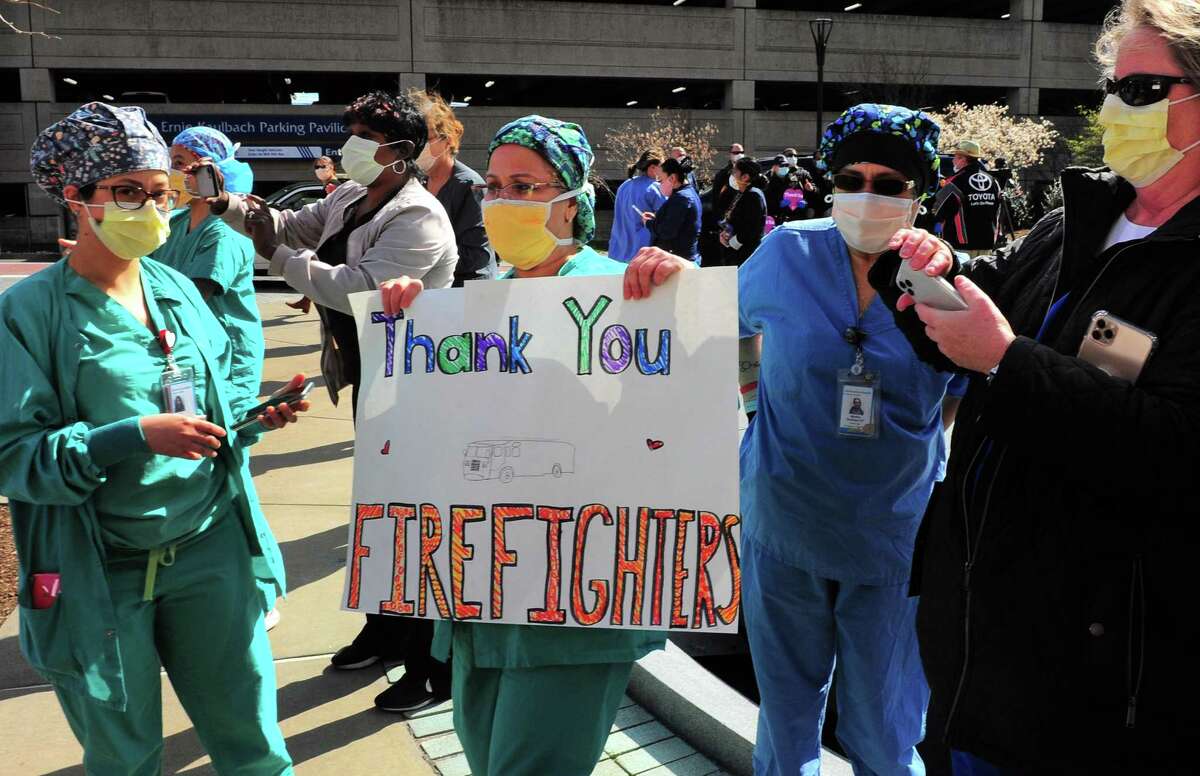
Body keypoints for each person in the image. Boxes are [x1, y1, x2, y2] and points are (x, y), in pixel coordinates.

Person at [867, 3, 1200, 771]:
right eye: (1113, 88)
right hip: (980, 644)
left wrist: (1005, 361)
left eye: (1145, 89)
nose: (1118, 109)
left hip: (1095, 683)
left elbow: (1175, 450)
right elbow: (989, 309)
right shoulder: (1081, 214)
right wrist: (925, 275)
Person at [5, 101, 311, 775]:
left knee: (255, 746)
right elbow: (16, 458)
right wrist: (130, 436)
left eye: (160, 192)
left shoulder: (175, 287)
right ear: (75, 198)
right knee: (125, 757)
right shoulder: (29, 313)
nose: (149, 206)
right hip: (100, 571)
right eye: (126, 192)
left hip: (210, 551)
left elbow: (201, 412)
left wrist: (251, 422)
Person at [376, 115, 685, 776]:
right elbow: (425, 437)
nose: (500, 201)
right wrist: (402, 328)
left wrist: (679, 300)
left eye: (524, 185)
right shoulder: (474, 306)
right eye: (491, 185)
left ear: (569, 201)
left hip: (575, 610)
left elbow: (681, 426)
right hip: (481, 601)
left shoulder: (626, 293)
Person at [738, 103, 967, 776]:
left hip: (893, 541)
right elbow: (730, 330)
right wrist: (757, 405)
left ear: (919, 194)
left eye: (889, 183)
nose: (866, 194)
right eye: (850, 176)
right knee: (785, 728)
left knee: (885, 737)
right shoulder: (785, 251)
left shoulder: (942, 283)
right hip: (783, 524)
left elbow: (960, 391)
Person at [208, 89, 458, 414]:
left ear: (402, 150)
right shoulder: (350, 194)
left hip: (410, 371)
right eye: (351, 135)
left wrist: (277, 254)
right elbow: (290, 227)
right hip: (367, 365)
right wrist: (229, 204)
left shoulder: (418, 214)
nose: (352, 145)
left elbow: (363, 290)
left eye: (366, 136)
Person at [411, 88, 492, 286]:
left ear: (446, 139)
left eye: (426, 139)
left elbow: (476, 255)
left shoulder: (468, 185)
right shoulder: (419, 182)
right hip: (433, 288)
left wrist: (417, 261)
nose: (418, 146)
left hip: (468, 290)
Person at [286, 155, 343, 313]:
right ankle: (306, 301)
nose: (320, 170)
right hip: (327, 234)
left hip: (329, 235)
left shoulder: (332, 187)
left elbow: (332, 211)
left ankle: (325, 317)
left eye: (323, 166)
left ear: (332, 168)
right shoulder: (330, 185)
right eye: (317, 167)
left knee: (317, 270)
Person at [931, 139, 1003, 257]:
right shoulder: (993, 181)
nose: (953, 160)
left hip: (961, 247)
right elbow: (998, 211)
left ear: (963, 159)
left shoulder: (955, 182)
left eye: (955, 157)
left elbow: (938, 211)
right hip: (987, 244)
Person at [608, 150, 666, 262]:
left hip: (617, 252)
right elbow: (666, 220)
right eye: (662, 167)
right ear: (652, 168)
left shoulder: (624, 186)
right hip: (642, 255)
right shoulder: (655, 189)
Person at [644, 155, 702, 264]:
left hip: (678, 262)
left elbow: (667, 231)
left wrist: (649, 223)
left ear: (672, 178)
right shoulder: (687, 194)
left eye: (660, 180)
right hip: (680, 259)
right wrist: (656, 219)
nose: (659, 184)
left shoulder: (681, 198)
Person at [718, 157, 768, 267]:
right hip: (736, 252)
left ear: (745, 177)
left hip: (746, 255)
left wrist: (732, 242)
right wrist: (726, 233)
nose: (732, 175)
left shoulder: (753, 195)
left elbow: (751, 228)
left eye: (735, 171)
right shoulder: (742, 193)